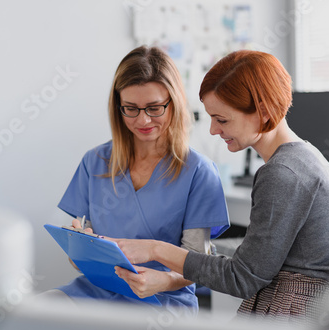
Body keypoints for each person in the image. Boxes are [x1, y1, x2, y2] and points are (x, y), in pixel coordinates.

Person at [114, 50, 329, 323]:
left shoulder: (281, 173)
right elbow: (254, 263)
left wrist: (155, 249)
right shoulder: (305, 155)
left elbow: (242, 279)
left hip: (300, 315)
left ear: (263, 111)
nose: (212, 130)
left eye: (222, 120)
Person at [51, 45, 230, 315]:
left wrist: (163, 280)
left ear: (174, 102)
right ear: (118, 106)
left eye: (155, 107)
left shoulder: (198, 172)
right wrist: (79, 248)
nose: (143, 119)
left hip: (162, 300)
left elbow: (197, 267)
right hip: (97, 292)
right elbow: (79, 257)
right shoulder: (95, 162)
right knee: (29, 315)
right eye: (130, 109)